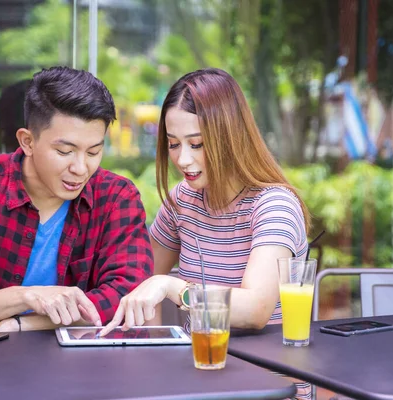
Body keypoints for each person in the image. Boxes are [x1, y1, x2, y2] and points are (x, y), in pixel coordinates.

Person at [100, 68, 311, 397]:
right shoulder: (184, 200)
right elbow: (138, 279)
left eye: (196, 144)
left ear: (230, 136)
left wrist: (174, 287)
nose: (183, 159)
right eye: (173, 144)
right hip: (198, 381)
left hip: (267, 387)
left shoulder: (274, 206)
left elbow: (256, 309)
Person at [0, 66, 153, 335]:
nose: (80, 168)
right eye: (65, 151)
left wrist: (23, 324)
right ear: (27, 142)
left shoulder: (116, 197)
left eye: (93, 151)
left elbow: (127, 294)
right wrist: (27, 296)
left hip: (80, 368)